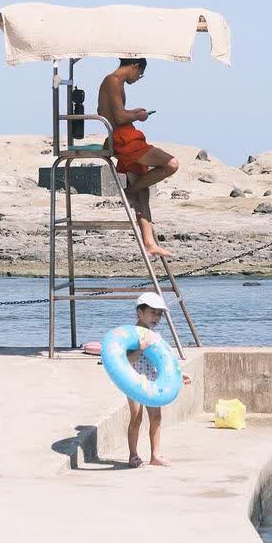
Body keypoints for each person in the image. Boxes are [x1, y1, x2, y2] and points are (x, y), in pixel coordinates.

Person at [97, 58, 179, 257]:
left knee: (143, 193)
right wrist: (138, 116)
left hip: (125, 137)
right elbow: (118, 117)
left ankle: (149, 243)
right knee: (172, 164)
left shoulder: (115, 82)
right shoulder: (113, 80)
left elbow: (111, 112)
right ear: (135, 66)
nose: (138, 78)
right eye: (140, 74)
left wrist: (133, 112)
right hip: (124, 140)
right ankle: (129, 191)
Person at [125, 292, 190, 469]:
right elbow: (127, 360)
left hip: (153, 380)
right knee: (136, 417)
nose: (157, 317)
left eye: (159, 314)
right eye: (152, 312)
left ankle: (155, 455)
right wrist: (140, 348)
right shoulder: (131, 335)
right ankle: (133, 455)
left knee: (156, 417)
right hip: (135, 381)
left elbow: (165, 361)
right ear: (140, 312)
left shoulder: (156, 337)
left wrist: (179, 375)